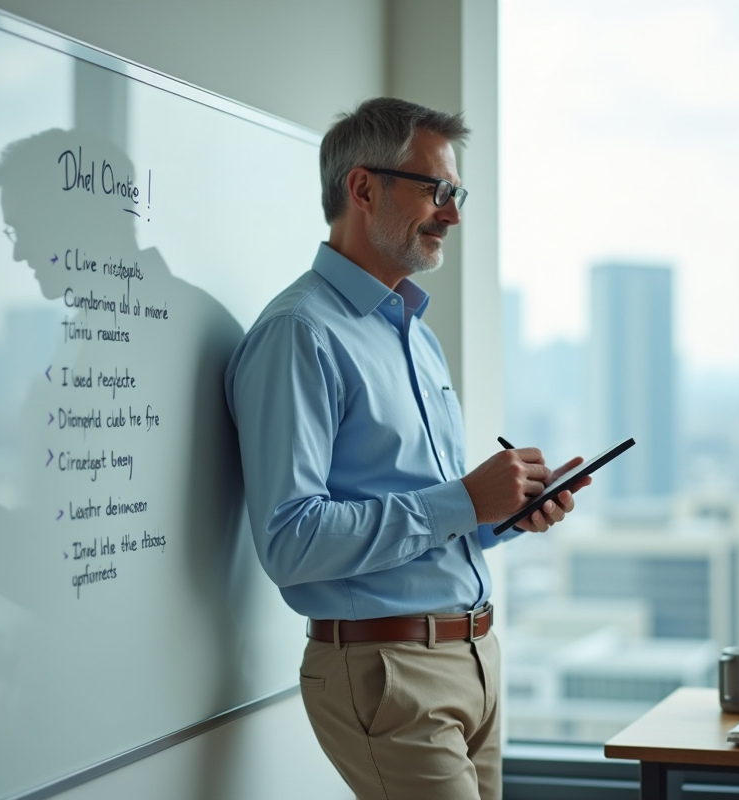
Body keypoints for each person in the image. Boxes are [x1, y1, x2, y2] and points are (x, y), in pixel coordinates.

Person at [223, 97, 590, 800]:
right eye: (436, 190)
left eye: (456, 193)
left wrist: (503, 513)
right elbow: (291, 540)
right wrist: (462, 498)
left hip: (475, 658)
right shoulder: (301, 334)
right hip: (389, 668)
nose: (452, 213)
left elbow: (427, 517)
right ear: (364, 188)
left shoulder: (415, 334)